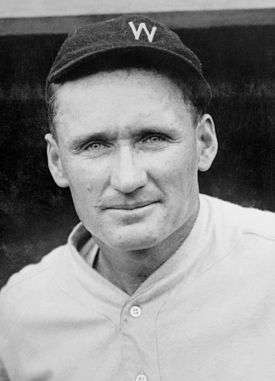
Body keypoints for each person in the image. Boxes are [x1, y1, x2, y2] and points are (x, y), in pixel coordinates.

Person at [0, 14, 274, 381]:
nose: (128, 179)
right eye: (94, 145)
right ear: (57, 162)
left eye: (153, 138)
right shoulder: (20, 313)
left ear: (204, 143)